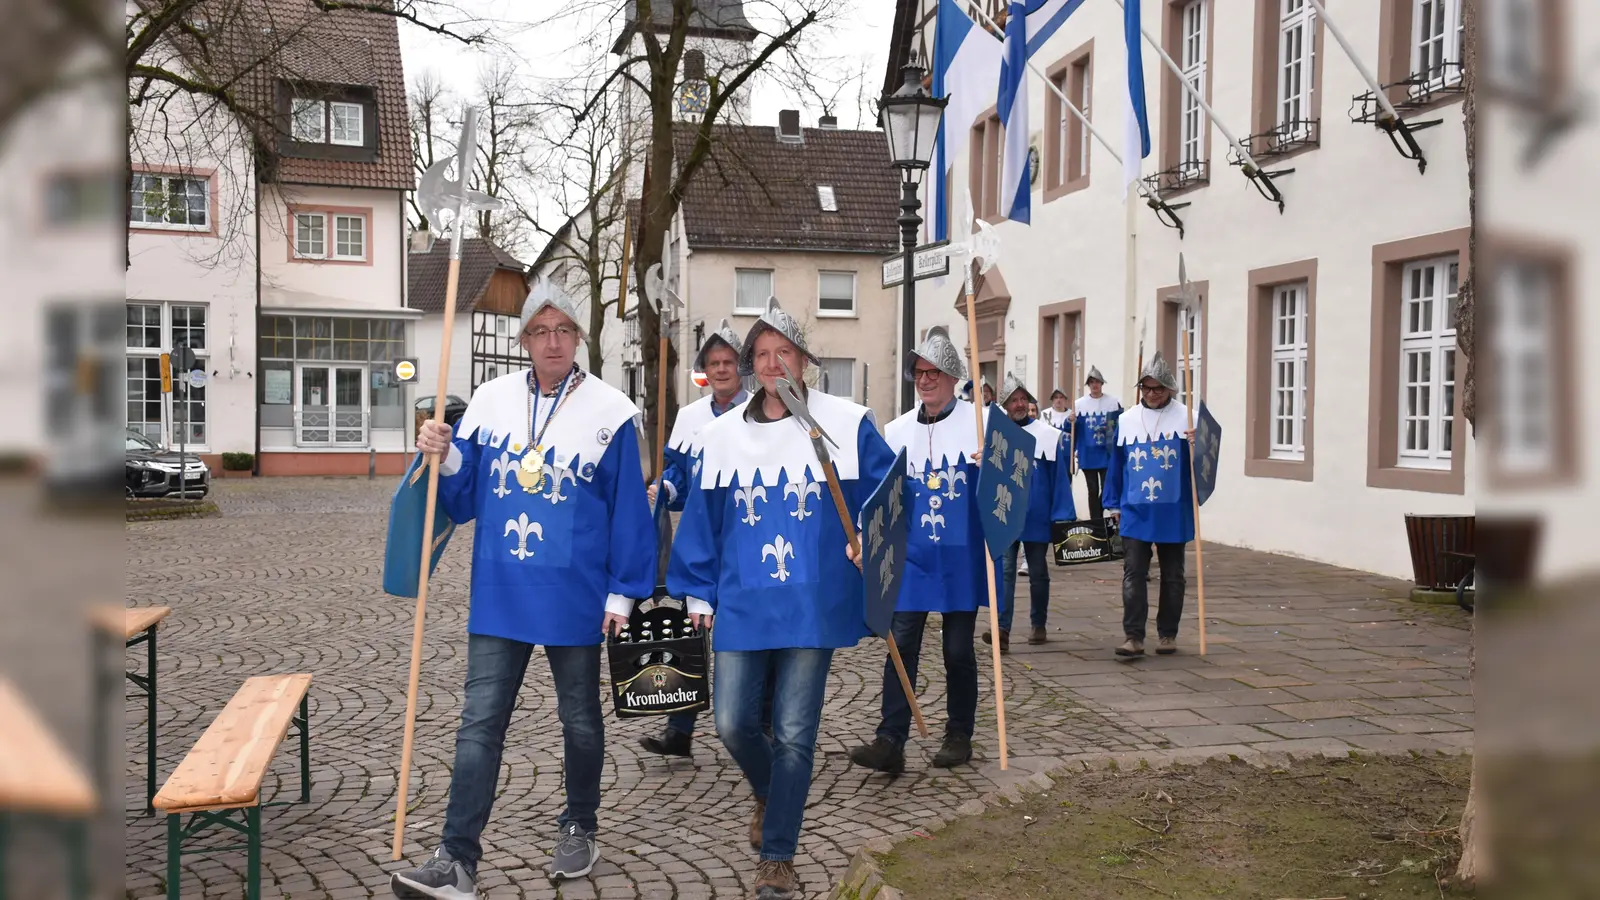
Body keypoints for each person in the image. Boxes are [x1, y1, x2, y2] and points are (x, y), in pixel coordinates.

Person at [391, 278, 656, 899]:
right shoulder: (489, 399)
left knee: (580, 722)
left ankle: (580, 823)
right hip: (502, 593)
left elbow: (629, 513)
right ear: (526, 340)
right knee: (478, 724)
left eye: (564, 330)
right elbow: (460, 497)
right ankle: (456, 859)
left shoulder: (612, 412)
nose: (553, 341)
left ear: (579, 338)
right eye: (541, 331)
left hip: (576, 597)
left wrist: (622, 595)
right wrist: (443, 452)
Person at [667, 296, 895, 900]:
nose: (773, 365)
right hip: (743, 600)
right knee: (733, 722)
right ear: (750, 365)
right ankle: (773, 793)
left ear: (804, 361)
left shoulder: (846, 423)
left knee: (795, 732)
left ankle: (779, 856)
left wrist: (868, 544)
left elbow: (892, 499)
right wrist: (696, 591)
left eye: (783, 353)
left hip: (811, 605)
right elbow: (702, 521)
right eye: (762, 355)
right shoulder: (719, 437)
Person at [848, 327, 988, 774]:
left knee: (958, 650)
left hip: (961, 557)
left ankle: (959, 733)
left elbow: (1011, 490)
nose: (925, 380)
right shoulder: (896, 431)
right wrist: (863, 536)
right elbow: (882, 494)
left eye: (934, 372)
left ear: (953, 377)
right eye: (919, 373)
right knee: (901, 644)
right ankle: (890, 740)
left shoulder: (982, 423)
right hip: (911, 557)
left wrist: (994, 465)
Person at [639, 318, 750, 760]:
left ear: (740, 368)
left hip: (747, 539)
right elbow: (679, 477)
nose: (721, 369)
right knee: (688, 634)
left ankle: (758, 724)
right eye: (713, 362)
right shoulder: (689, 417)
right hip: (701, 544)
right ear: (704, 369)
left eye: (728, 362)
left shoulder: (763, 410)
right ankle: (679, 730)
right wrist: (664, 488)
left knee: (748, 634)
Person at [1102, 352, 1195, 658]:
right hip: (1135, 509)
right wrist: (1112, 503)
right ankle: (1133, 636)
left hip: (1173, 508)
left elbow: (1204, 464)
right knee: (1133, 573)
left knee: (1172, 575)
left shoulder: (1188, 417)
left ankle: (1167, 634)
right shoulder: (1127, 420)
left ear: (1170, 389)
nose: (1153, 394)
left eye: (1158, 389)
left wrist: (1200, 442)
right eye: (1147, 388)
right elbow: (1116, 465)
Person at [984, 376, 1075, 650]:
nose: (1020, 404)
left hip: (1036, 514)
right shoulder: (994, 435)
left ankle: (1038, 624)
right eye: (1014, 399)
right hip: (1005, 513)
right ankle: (1002, 628)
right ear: (1006, 405)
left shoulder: (1046, 435)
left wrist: (1061, 513)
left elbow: (1059, 477)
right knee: (1006, 571)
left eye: (1023, 399)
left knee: (1037, 571)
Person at [1072, 367, 1124, 523]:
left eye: (1097, 382)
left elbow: (1121, 424)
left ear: (1102, 384)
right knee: (1092, 489)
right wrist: (1071, 421)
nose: (1095, 385)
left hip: (1107, 453)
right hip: (1087, 454)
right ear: (1088, 385)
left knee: (1106, 487)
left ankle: (1101, 513)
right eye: (1092, 382)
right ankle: (1096, 521)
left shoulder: (1113, 402)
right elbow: (1072, 430)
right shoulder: (1079, 404)